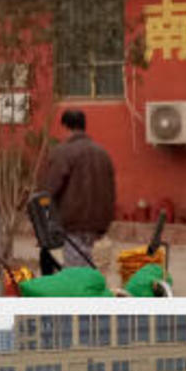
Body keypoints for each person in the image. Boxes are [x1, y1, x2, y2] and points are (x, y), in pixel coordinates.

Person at [43, 110, 116, 268]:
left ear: (65, 127)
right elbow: (111, 192)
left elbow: (50, 189)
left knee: (76, 275)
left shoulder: (63, 153)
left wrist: (45, 217)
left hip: (73, 225)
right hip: (99, 226)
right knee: (94, 274)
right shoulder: (103, 154)